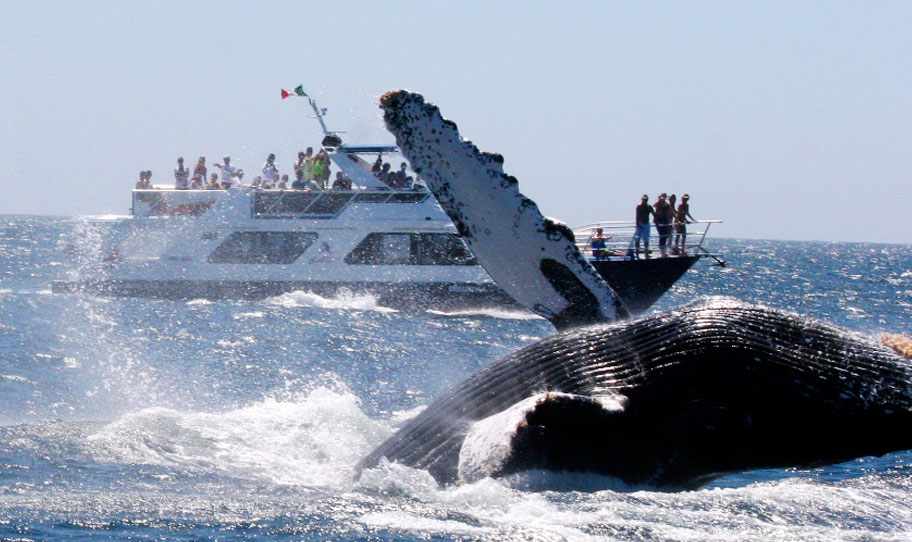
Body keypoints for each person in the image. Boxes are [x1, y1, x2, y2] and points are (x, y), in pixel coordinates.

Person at [633, 195, 654, 259]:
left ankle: (646, 253)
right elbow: (637, 216)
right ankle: (636, 254)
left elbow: (654, 214)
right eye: (644, 199)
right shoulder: (639, 206)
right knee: (637, 240)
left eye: (646, 199)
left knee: (646, 240)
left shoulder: (649, 206)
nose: (645, 201)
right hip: (640, 224)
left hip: (646, 224)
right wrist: (637, 224)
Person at [653, 192, 674, 257]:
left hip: (666, 220)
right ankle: (662, 251)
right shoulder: (658, 203)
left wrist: (678, 220)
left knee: (665, 235)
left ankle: (664, 251)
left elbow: (672, 212)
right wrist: (659, 200)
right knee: (662, 235)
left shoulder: (667, 204)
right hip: (659, 221)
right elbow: (654, 205)